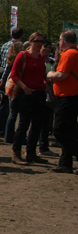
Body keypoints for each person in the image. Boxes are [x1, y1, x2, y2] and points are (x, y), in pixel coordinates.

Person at [9, 32, 49, 165]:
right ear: (31, 41)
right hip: (26, 94)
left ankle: (31, 153)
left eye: (41, 41)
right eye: (37, 41)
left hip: (39, 93)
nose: (39, 44)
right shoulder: (23, 55)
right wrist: (24, 87)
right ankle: (16, 152)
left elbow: (42, 74)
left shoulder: (42, 57)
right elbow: (14, 74)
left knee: (37, 125)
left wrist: (45, 82)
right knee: (23, 124)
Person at [48, 30, 78, 174]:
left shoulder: (68, 54)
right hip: (72, 95)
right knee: (70, 130)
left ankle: (70, 159)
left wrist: (50, 74)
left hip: (67, 96)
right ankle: (65, 163)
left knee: (59, 130)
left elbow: (62, 75)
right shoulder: (75, 53)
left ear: (63, 41)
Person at [0, 28, 24, 138]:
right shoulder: (20, 47)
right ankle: (8, 132)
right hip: (12, 77)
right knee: (13, 108)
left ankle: (0, 130)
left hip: (3, 75)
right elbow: (9, 65)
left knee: (4, 105)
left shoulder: (5, 45)